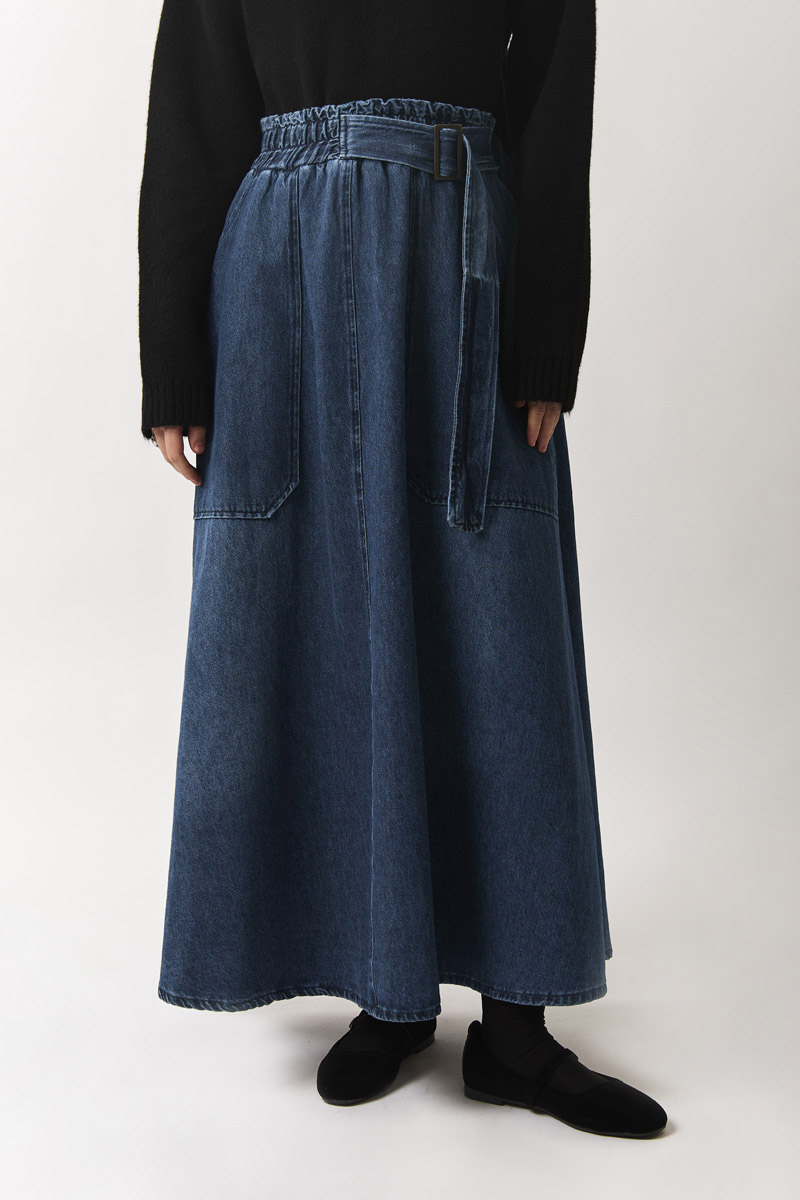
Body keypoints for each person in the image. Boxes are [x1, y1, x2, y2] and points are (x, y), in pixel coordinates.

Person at [138, 0, 667, 1137]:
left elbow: (554, 92)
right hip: (282, 280)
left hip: (462, 269)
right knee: (327, 632)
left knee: (501, 639)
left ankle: (515, 1030)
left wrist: (546, 332)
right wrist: (174, 358)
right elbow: (193, 115)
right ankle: (389, 991)